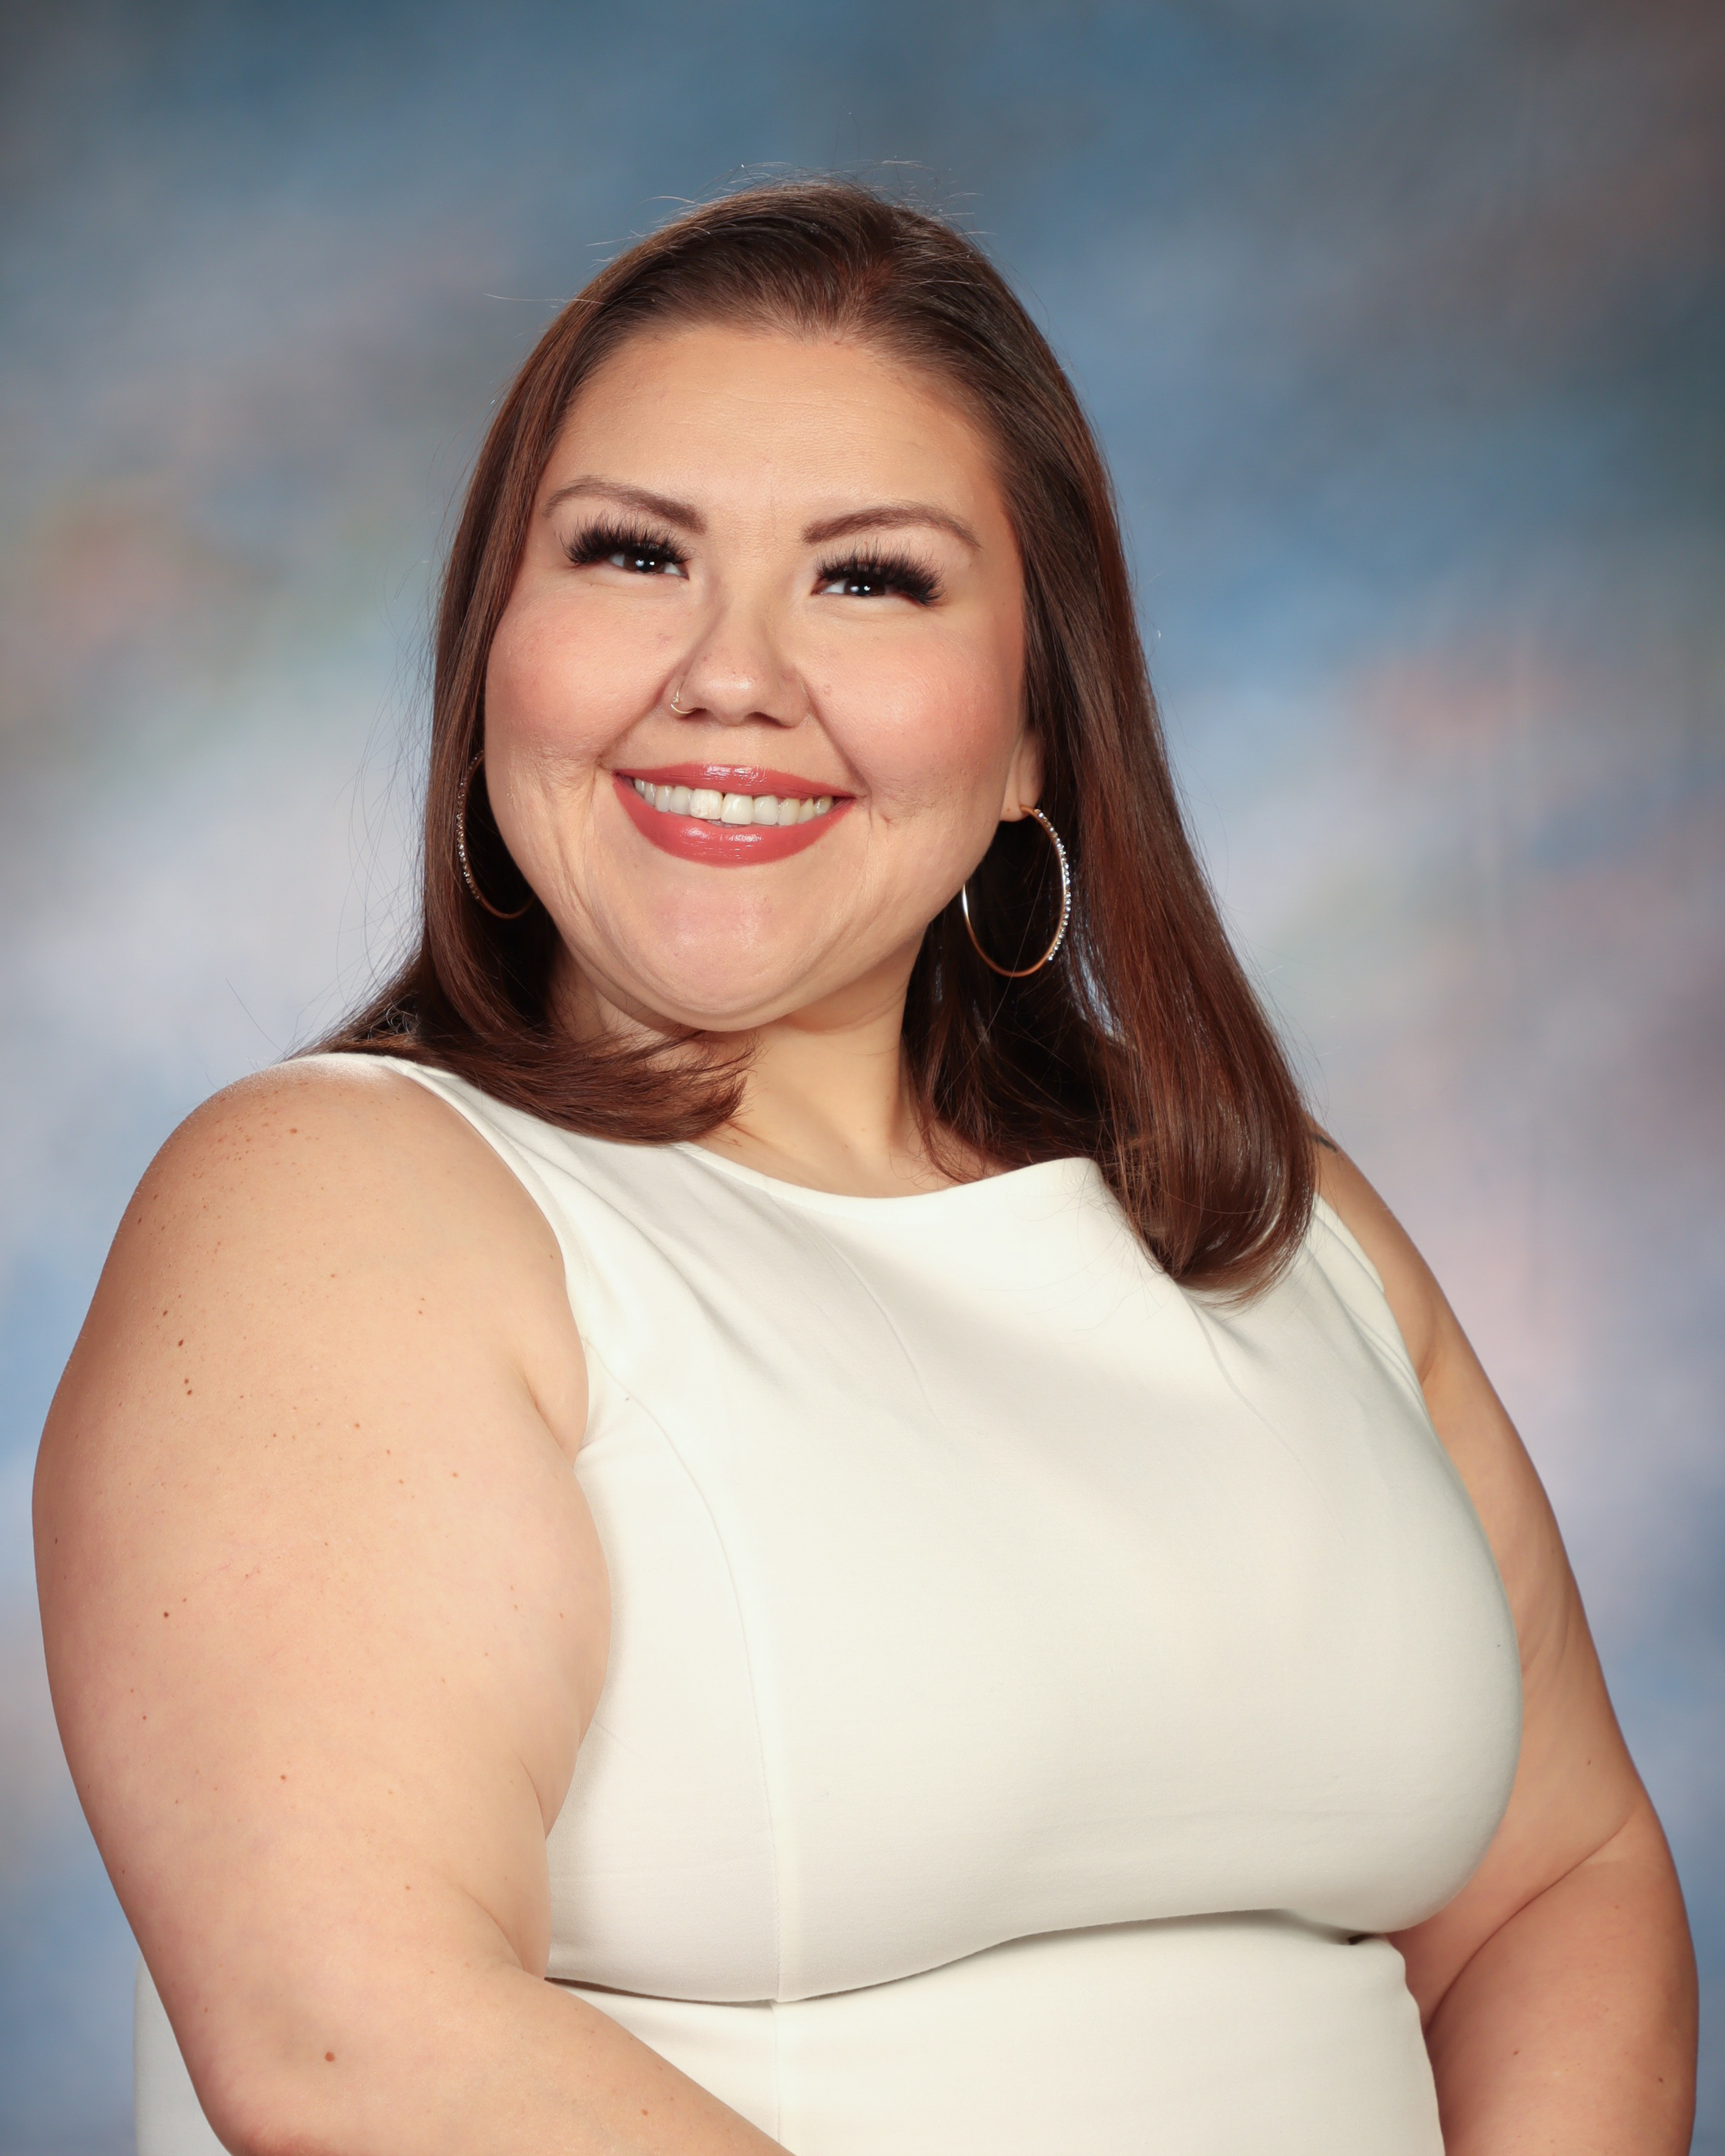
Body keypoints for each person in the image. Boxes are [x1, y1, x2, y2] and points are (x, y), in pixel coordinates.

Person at [35, 180, 1694, 2156]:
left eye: (871, 580)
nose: (730, 671)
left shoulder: (1277, 1223)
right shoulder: (337, 1203)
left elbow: (1560, 1883)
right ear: (494, 655)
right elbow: (355, 2039)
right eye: (634, 552)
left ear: (1036, 729)